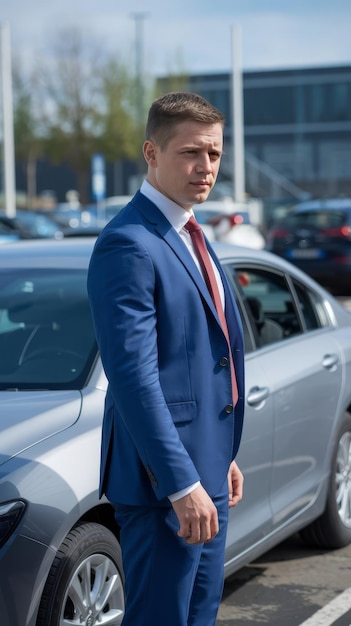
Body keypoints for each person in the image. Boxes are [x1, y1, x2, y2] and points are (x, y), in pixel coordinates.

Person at [87, 91, 245, 626]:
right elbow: (133, 377)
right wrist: (181, 482)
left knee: (197, 618)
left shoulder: (191, 231)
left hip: (208, 473)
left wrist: (221, 453)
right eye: (191, 153)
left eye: (215, 155)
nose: (206, 168)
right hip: (165, 489)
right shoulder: (130, 243)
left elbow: (200, 360)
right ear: (151, 154)